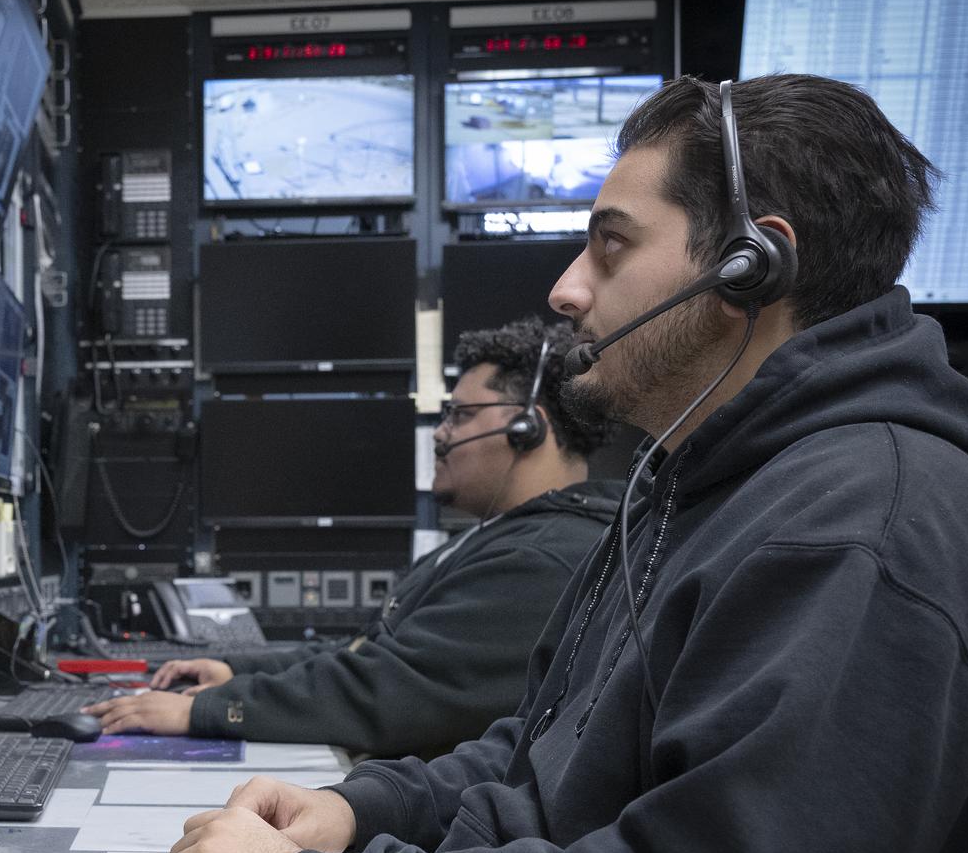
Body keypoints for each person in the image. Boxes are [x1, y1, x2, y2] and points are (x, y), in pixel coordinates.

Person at [155, 74, 968, 853]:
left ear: (757, 263)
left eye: (610, 246)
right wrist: (366, 811)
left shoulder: (858, 528)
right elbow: (545, 757)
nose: (568, 289)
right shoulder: (700, 491)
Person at [84, 318, 619, 758]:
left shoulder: (541, 557)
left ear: (528, 427)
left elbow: (389, 690)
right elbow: (368, 652)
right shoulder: (507, 535)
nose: (440, 432)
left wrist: (203, 711)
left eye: (460, 415)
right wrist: (237, 670)